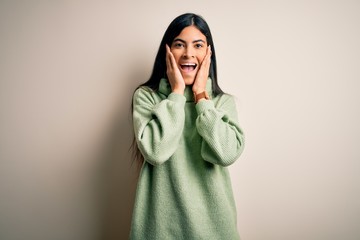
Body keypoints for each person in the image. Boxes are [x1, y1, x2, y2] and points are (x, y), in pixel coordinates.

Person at [130, 13, 245, 240]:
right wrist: (176, 94)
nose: (189, 53)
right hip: (159, 231)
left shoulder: (222, 103)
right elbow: (156, 151)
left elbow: (227, 154)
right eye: (179, 44)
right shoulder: (147, 98)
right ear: (167, 52)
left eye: (198, 45)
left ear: (208, 54)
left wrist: (201, 97)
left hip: (214, 230)